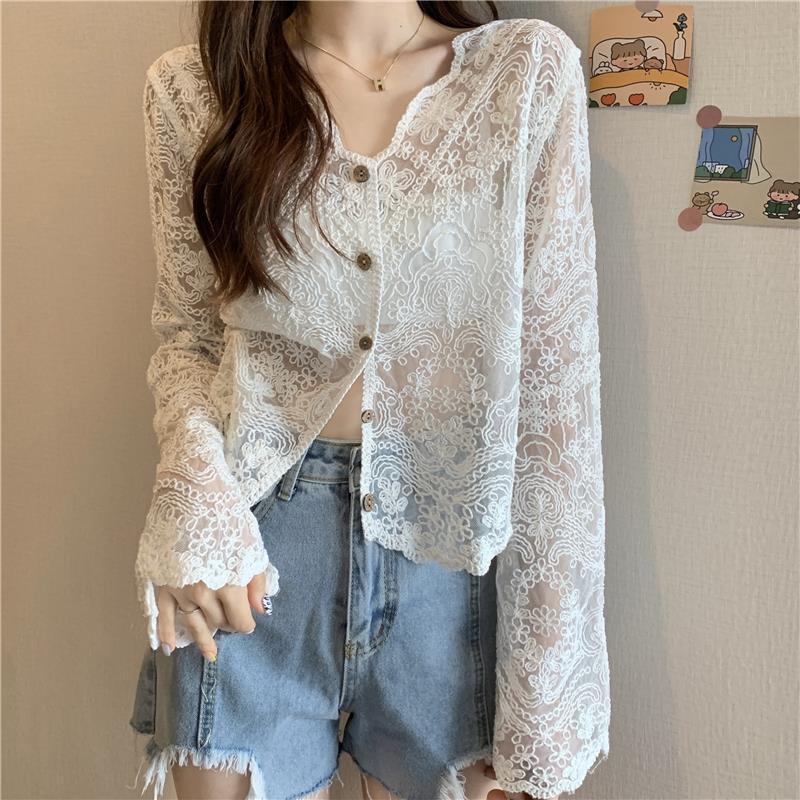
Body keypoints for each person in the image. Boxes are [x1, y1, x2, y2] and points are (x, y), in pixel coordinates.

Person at [128, 3, 610, 800]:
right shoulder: (197, 89)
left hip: (450, 565)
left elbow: (556, 389)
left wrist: (547, 674)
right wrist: (194, 494)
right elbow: (187, 337)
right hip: (250, 554)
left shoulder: (523, 75)